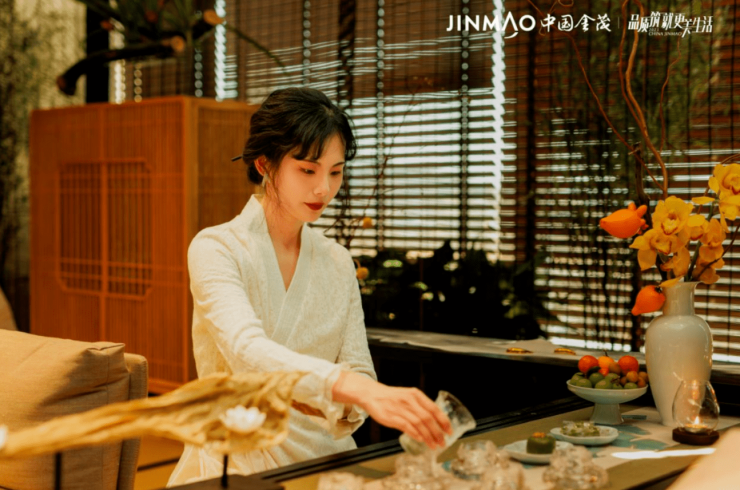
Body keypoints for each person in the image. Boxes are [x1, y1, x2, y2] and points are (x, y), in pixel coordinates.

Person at [167, 87, 452, 485]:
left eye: (335, 172)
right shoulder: (216, 248)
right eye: (308, 170)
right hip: (238, 461)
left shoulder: (337, 261)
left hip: (326, 459)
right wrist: (348, 388)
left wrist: (345, 399)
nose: (324, 189)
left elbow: (359, 368)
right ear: (265, 164)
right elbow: (246, 350)